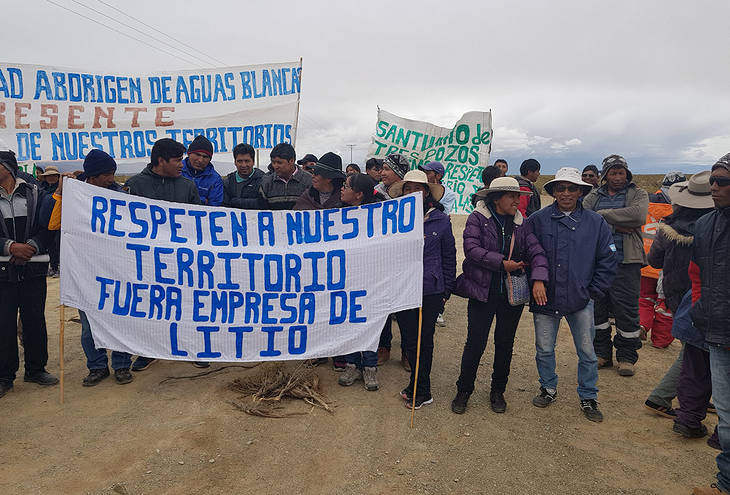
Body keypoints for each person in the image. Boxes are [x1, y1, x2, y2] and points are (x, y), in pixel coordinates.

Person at [451, 177, 548, 414]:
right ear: (496, 199)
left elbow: (536, 251)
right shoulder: (477, 218)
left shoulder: (521, 223)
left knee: (505, 344)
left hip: (510, 297)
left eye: (518, 196)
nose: (517, 200)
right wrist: (502, 264)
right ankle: (463, 390)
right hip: (482, 292)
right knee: (475, 343)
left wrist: (539, 279)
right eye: (511, 196)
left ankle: (498, 391)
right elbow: (471, 249)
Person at [526, 168, 617, 422]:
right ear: (554, 191)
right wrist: (536, 280)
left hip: (580, 299)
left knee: (587, 351)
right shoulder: (537, 220)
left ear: (581, 191)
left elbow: (608, 260)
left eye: (571, 188)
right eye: (560, 188)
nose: (566, 193)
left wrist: (592, 292)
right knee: (544, 348)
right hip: (545, 297)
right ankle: (548, 387)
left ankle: (588, 395)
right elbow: (528, 255)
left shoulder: (596, 222)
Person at [47, 150, 134, 386]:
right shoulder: (74, 195)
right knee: (89, 324)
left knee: (119, 319)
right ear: (93, 175)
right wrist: (61, 193)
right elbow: (53, 224)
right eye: (106, 174)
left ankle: (121, 365)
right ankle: (96, 366)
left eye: (113, 173)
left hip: (115, 268)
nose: (110, 178)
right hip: (85, 270)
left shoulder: (120, 194)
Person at [125, 138, 207, 370]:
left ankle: (193, 348)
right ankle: (148, 351)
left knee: (188, 305)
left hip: (182, 261)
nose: (182, 164)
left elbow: (198, 224)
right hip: (148, 262)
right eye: (177, 160)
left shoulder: (187, 186)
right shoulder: (135, 185)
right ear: (161, 161)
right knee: (150, 306)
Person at [644, 171, 715, 419]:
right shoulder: (715, 228)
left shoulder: (668, 226)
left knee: (697, 349)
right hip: (702, 294)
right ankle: (661, 396)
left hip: (674, 292)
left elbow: (654, 259)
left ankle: (699, 396)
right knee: (697, 351)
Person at [389, 170, 456, 409]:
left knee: (424, 339)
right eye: (408, 189)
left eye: (418, 188)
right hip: (403, 288)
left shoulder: (441, 219)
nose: (412, 193)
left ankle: (421, 388)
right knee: (408, 339)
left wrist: (447, 289)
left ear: (427, 192)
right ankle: (416, 383)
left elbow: (449, 256)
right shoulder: (393, 220)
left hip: (430, 289)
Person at [583, 155, 649, 377]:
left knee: (627, 310)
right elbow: (584, 218)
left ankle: (626, 357)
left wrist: (602, 217)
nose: (618, 177)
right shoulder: (594, 194)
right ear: (605, 175)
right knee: (598, 309)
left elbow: (638, 216)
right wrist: (615, 226)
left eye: (621, 173)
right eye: (613, 173)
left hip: (626, 261)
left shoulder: (637, 194)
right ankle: (602, 353)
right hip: (597, 262)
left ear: (627, 174)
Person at [0, 147, 58, 398]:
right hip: (3, 270)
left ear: (9, 168)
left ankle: (36, 369)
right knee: (3, 324)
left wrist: (32, 246)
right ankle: (4, 376)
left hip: (33, 268)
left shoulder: (35, 193)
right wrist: (10, 246)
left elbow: (49, 226)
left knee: (35, 320)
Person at [691, 153, 730, 495]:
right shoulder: (705, 225)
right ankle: (725, 485)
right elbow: (702, 277)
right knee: (728, 419)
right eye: (712, 181)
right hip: (717, 333)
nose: (714, 188)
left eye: (722, 181)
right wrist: (701, 312)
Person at [338, 173, 385, 391]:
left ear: (358, 194)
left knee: (369, 322)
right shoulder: (337, 215)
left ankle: (370, 366)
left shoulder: (378, 216)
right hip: (347, 277)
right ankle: (351, 364)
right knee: (349, 320)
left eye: (346, 186)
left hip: (371, 277)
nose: (342, 189)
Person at [375, 153, 414, 369]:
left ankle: (408, 351)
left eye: (387, 169)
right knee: (382, 305)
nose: (382, 173)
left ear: (399, 174)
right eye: (382, 168)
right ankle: (383, 347)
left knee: (405, 307)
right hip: (382, 260)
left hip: (405, 261)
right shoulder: (377, 196)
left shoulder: (412, 198)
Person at [258, 143, 312, 210]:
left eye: (279, 163)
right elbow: (261, 210)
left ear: (291, 161)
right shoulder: (266, 183)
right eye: (273, 162)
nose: (275, 166)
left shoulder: (309, 181)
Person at [181, 135, 224, 206]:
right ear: (189, 154)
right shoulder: (176, 170)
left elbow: (215, 206)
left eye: (205, 157)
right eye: (197, 155)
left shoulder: (215, 179)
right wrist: (202, 200)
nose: (200, 160)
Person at [223, 143, 265, 209]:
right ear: (235, 162)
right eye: (240, 161)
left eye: (247, 161)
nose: (243, 165)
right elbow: (224, 206)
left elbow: (263, 204)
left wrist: (235, 201)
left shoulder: (264, 180)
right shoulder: (227, 182)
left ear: (253, 162)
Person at [38, 166, 62, 277]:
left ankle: (59, 267)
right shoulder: (40, 190)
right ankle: (53, 267)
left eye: (54, 176)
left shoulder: (64, 188)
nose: (51, 178)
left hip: (60, 222)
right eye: (49, 176)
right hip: (45, 223)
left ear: (58, 177)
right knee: (50, 246)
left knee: (59, 245)